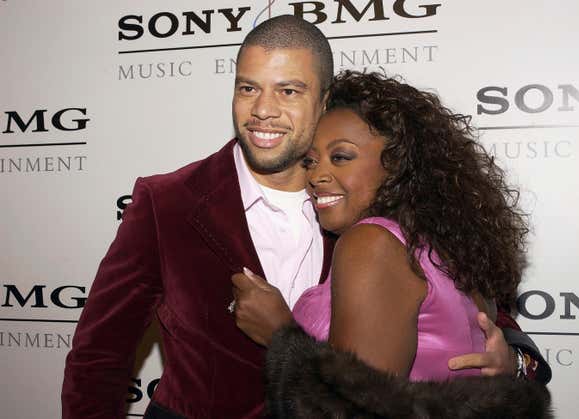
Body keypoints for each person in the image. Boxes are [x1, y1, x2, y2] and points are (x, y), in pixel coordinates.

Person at [62, 15, 549, 419]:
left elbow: (479, 311)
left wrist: (517, 361)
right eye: (248, 88)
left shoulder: (371, 206)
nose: (263, 111)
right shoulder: (167, 201)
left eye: (289, 91)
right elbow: (98, 356)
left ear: (324, 99)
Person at [232, 71, 552, 417]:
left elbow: (349, 411)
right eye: (310, 161)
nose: (315, 175)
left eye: (340, 157)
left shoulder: (371, 243)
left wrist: (280, 333)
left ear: (397, 164)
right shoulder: (443, 246)